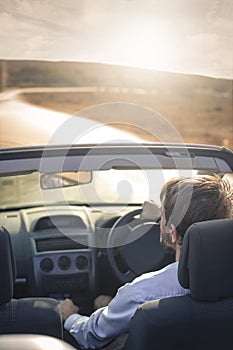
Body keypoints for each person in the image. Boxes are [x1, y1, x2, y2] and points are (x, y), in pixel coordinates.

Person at [60, 174, 232, 350]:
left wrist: (71, 316)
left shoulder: (140, 294)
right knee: (102, 303)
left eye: (162, 217)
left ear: (172, 233)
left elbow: (91, 336)